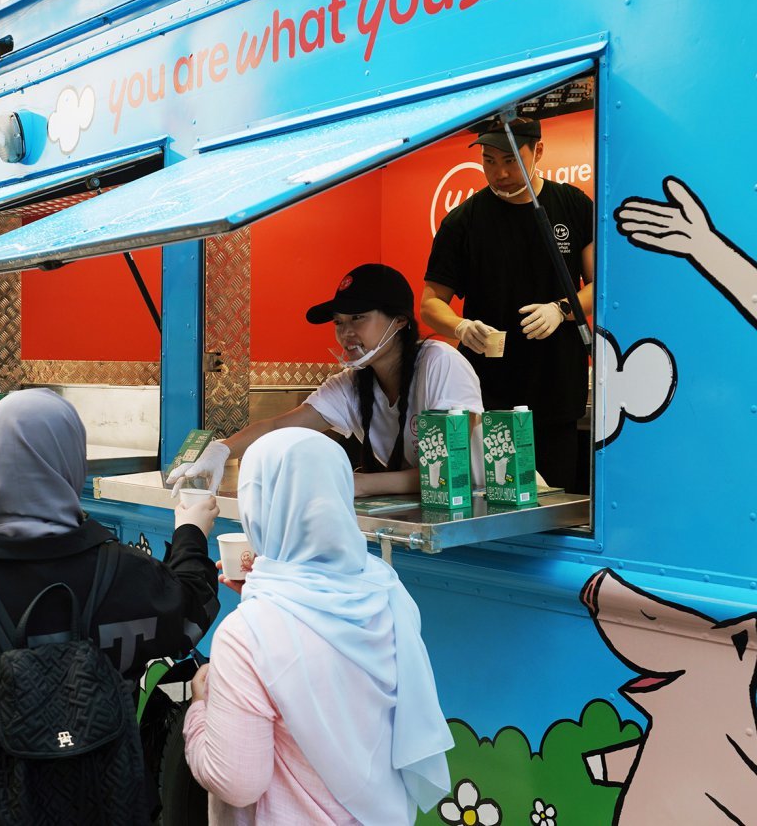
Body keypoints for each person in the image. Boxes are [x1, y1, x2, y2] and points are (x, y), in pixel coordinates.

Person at [0, 388, 222, 825]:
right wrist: (190, 533)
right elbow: (189, 613)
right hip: (100, 803)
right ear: (71, 464)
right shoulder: (121, 571)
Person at [183, 427, 453, 824]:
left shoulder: (247, 636)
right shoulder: (388, 591)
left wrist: (199, 709)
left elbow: (237, 782)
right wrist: (264, 597)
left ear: (257, 504)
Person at [168, 263, 484, 498]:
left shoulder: (440, 363)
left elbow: (448, 471)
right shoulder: (351, 383)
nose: (346, 333)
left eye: (358, 318)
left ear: (400, 320)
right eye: (338, 322)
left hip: (471, 512)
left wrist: (359, 483)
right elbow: (278, 428)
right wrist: (220, 450)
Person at [422, 116, 594, 489]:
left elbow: (603, 286)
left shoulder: (573, 206)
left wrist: (561, 310)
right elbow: (430, 303)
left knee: (554, 502)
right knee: (495, 499)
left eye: (511, 160)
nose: (499, 173)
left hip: (557, 389)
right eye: (489, 161)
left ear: (539, 152)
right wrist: (461, 327)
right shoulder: (463, 221)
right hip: (488, 396)